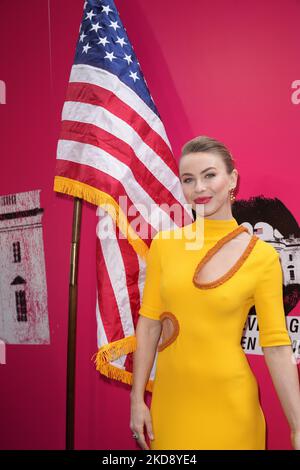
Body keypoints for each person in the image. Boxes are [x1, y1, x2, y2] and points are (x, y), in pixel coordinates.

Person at [130, 136, 300, 450]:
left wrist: (297, 426)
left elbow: (276, 347)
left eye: (210, 175)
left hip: (232, 411)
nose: (199, 188)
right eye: (188, 179)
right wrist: (137, 399)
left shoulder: (261, 257)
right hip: (170, 409)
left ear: (232, 179)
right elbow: (149, 324)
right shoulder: (164, 247)